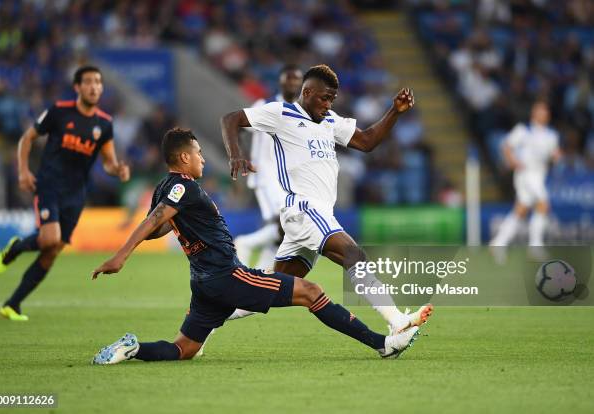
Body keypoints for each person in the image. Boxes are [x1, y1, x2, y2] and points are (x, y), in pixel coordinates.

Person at [90, 128, 420, 364]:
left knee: (185, 348)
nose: (203, 158)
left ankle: (133, 349)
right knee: (311, 291)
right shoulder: (181, 187)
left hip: (203, 282)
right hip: (225, 276)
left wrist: (154, 230)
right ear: (182, 157)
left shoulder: (165, 186)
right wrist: (120, 256)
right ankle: (383, 344)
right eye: (198, 153)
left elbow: (159, 226)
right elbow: (155, 220)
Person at [221, 64, 432, 334]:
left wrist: (394, 112)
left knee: (271, 290)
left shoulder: (330, 120)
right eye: (324, 97)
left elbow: (367, 142)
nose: (328, 103)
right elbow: (230, 119)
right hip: (304, 208)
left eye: (332, 98)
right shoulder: (281, 113)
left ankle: (213, 312)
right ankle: (397, 321)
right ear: (307, 92)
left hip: (318, 214)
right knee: (354, 254)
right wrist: (235, 154)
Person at [0, 65, 130, 321]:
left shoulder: (104, 124)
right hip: (49, 184)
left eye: (98, 82)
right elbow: (27, 138)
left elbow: (109, 161)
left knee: (52, 250)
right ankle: (15, 249)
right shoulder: (59, 112)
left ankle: (12, 304)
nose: (94, 86)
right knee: (49, 238)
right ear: (77, 87)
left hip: (75, 194)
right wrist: (23, 171)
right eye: (88, 82)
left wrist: (118, 169)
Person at [234, 64, 303, 270]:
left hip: (287, 180)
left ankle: (260, 278)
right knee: (286, 225)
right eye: (288, 79)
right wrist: (241, 155)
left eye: (296, 80)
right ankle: (245, 243)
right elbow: (238, 126)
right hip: (266, 176)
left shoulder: (301, 111)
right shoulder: (265, 105)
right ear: (280, 82)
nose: (292, 83)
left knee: (284, 233)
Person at [490, 100, 562, 250]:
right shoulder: (524, 130)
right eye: (540, 110)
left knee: (521, 209)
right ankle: (535, 245)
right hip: (526, 174)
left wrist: (556, 157)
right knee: (543, 203)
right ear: (533, 113)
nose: (543, 114)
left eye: (545, 111)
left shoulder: (552, 135)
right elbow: (506, 146)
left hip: (540, 174)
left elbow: (553, 155)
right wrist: (513, 161)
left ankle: (498, 243)